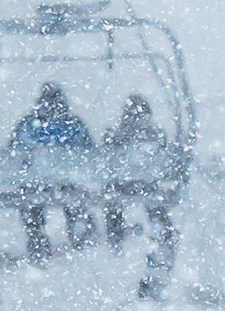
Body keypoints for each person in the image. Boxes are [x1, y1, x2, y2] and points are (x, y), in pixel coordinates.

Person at [10, 82, 97, 261]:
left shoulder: (29, 126)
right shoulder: (73, 125)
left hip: (35, 184)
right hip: (66, 183)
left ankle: (37, 241)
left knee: (31, 206)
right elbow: (88, 153)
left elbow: (14, 154)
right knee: (75, 203)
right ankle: (80, 235)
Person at [102, 93, 176, 253]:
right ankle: (161, 234)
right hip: (148, 183)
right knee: (156, 207)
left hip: (122, 184)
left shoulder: (118, 134)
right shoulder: (155, 133)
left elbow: (107, 156)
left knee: (113, 206)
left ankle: (116, 240)